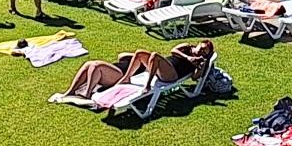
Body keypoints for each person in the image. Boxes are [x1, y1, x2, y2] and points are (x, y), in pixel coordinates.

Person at [51, 42, 214, 106]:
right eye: (202, 47)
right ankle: (70, 92)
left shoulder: (199, 61)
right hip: (164, 68)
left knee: (154, 56)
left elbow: (195, 77)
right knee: (140, 52)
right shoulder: (186, 48)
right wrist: (188, 56)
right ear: (198, 44)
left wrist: (200, 64)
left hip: (172, 74)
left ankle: (146, 85)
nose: (202, 51)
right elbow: (173, 50)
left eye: (205, 52)